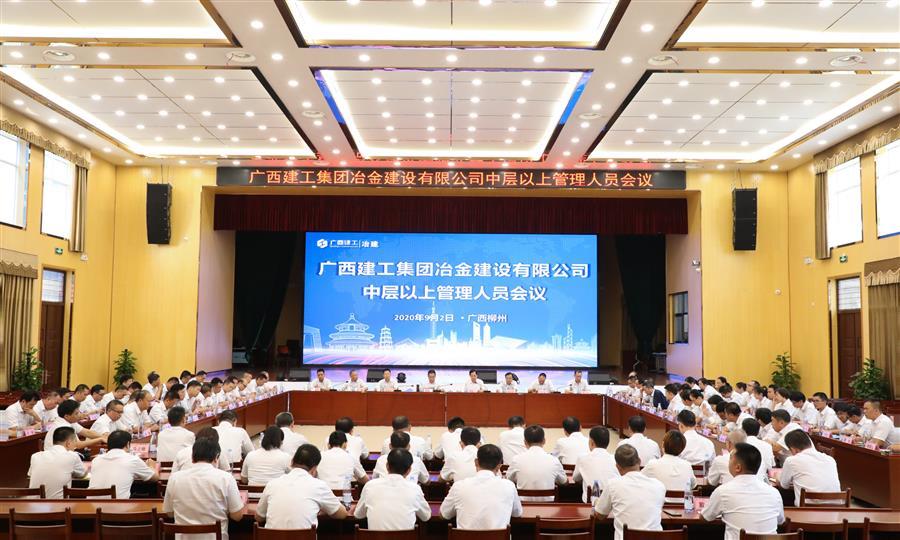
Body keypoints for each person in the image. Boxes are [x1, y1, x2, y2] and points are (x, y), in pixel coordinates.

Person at [164, 438, 245, 540]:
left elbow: (169, 513)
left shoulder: (174, 478)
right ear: (216, 458)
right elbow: (237, 516)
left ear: (192, 458)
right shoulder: (226, 478)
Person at [701, 443, 785, 540]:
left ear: (738, 467)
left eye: (730, 458)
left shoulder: (723, 492)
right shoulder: (774, 492)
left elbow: (705, 517)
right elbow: (780, 521)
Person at [256, 444, 347, 529]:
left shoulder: (272, 484)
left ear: (292, 461)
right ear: (314, 469)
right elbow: (342, 514)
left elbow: (259, 517)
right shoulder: (319, 486)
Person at [440, 444, 523, 529]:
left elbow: (443, 514)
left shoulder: (458, 486)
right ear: (499, 466)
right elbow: (517, 514)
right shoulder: (509, 486)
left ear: (476, 462)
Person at [593, 444, 666, 540]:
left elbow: (600, 515)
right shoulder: (659, 486)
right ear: (639, 461)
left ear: (617, 467)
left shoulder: (613, 484)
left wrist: (597, 502)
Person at [355, 448, 431, 530]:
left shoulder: (370, 486)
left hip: (375, 536)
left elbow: (358, 515)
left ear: (387, 466)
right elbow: (426, 516)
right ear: (409, 470)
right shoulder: (415, 489)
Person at [88, 429, 158, 499]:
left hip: (90, 504)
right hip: (118, 504)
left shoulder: (96, 460)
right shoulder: (132, 460)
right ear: (128, 444)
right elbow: (154, 478)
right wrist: (151, 466)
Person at [507, 425, 567, 501]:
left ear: (525, 442)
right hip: (549, 506)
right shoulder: (554, 460)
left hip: (523, 505)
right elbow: (564, 482)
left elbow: (508, 479)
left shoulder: (516, 459)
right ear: (544, 441)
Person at [779, 430, 841, 504]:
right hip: (836, 508)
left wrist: (777, 477)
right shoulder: (830, 459)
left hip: (807, 508)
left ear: (793, 449)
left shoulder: (791, 460)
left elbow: (784, 485)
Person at [27, 426, 87, 498]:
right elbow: (82, 474)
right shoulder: (72, 456)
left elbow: (30, 475)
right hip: (58, 504)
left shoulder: (35, 456)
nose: (75, 445)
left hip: (32, 503)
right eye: (75, 442)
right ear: (68, 443)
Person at [573, 426, 620, 503]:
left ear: (591, 442)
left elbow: (575, 478)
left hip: (589, 503)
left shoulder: (582, 458)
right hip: (612, 502)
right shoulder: (615, 459)